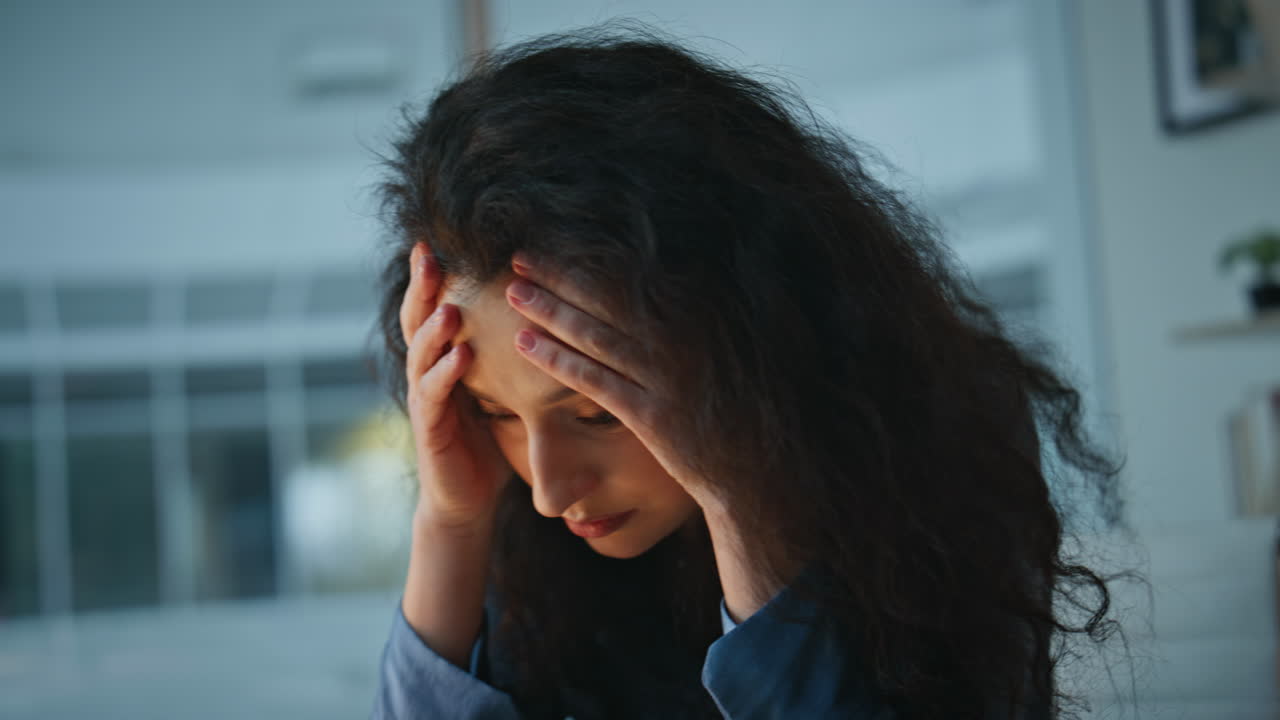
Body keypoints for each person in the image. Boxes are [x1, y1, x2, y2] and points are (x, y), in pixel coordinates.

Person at [367, 21, 1132, 720]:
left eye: (596, 411)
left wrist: (739, 502)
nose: (549, 490)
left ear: (748, 345)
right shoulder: (525, 528)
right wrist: (451, 521)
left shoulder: (940, 450)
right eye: (496, 411)